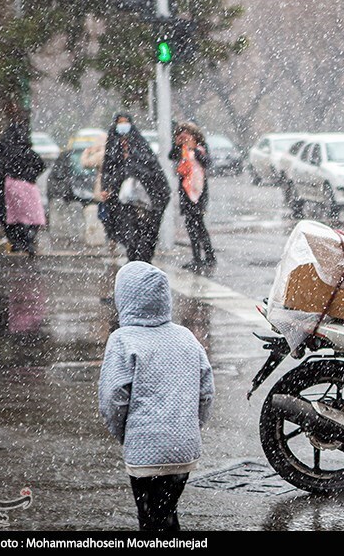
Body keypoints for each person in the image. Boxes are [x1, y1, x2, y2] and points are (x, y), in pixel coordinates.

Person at [98, 261, 214, 532]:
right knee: (167, 512)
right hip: (184, 449)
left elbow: (113, 397)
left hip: (144, 451)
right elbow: (206, 392)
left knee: (149, 519)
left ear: (123, 298)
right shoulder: (186, 337)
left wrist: (123, 433)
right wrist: (190, 427)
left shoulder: (123, 339)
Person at [100, 113, 170, 263]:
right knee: (128, 232)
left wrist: (132, 168)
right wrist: (108, 186)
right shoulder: (112, 145)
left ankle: (143, 260)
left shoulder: (139, 144)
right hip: (123, 201)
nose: (123, 126)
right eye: (120, 123)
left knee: (145, 231)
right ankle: (134, 259)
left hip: (144, 199)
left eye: (126, 122)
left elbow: (150, 168)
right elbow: (108, 169)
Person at [0, 119, 46, 255]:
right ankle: (25, 241)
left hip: (6, 190)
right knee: (31, 217)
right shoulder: (26, 151)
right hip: (26, 187)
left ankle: (18, 242)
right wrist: (29, 176)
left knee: (11, 219)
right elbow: (40, 164)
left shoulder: (1, 149)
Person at [168, 122, 216, 272]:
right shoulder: (181, 150)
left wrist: (194, 151)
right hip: (185, 192)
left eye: (187, 134)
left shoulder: (200, 148)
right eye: (181, 134)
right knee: (190, 226)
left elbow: (207, 162)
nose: (185, 137)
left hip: (199, 192)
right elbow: (171, 156)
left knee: (199, 225)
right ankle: (196, 258)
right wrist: (177, 145)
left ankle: (209, 256)